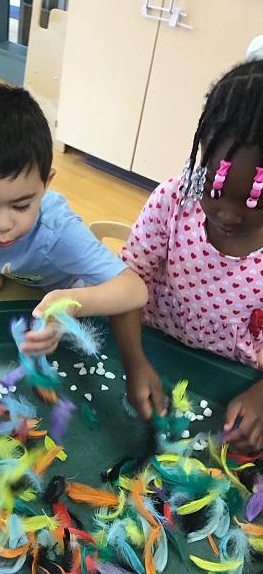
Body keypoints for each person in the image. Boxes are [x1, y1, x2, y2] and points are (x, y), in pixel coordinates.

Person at [111, 60, 263, 453]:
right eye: (215, 189)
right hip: (153, 346)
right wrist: (133, 361)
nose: (228, 215)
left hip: (235, 381)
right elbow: (128, 282)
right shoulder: (174, 202)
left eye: (253, 200)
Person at [0, 81, 148, 354]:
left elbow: (134, 289)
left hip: (62, 305)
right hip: (14, 293)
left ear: (46, 184)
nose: (2, 226)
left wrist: (70, 302)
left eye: (22, 205)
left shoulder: (59, 233)